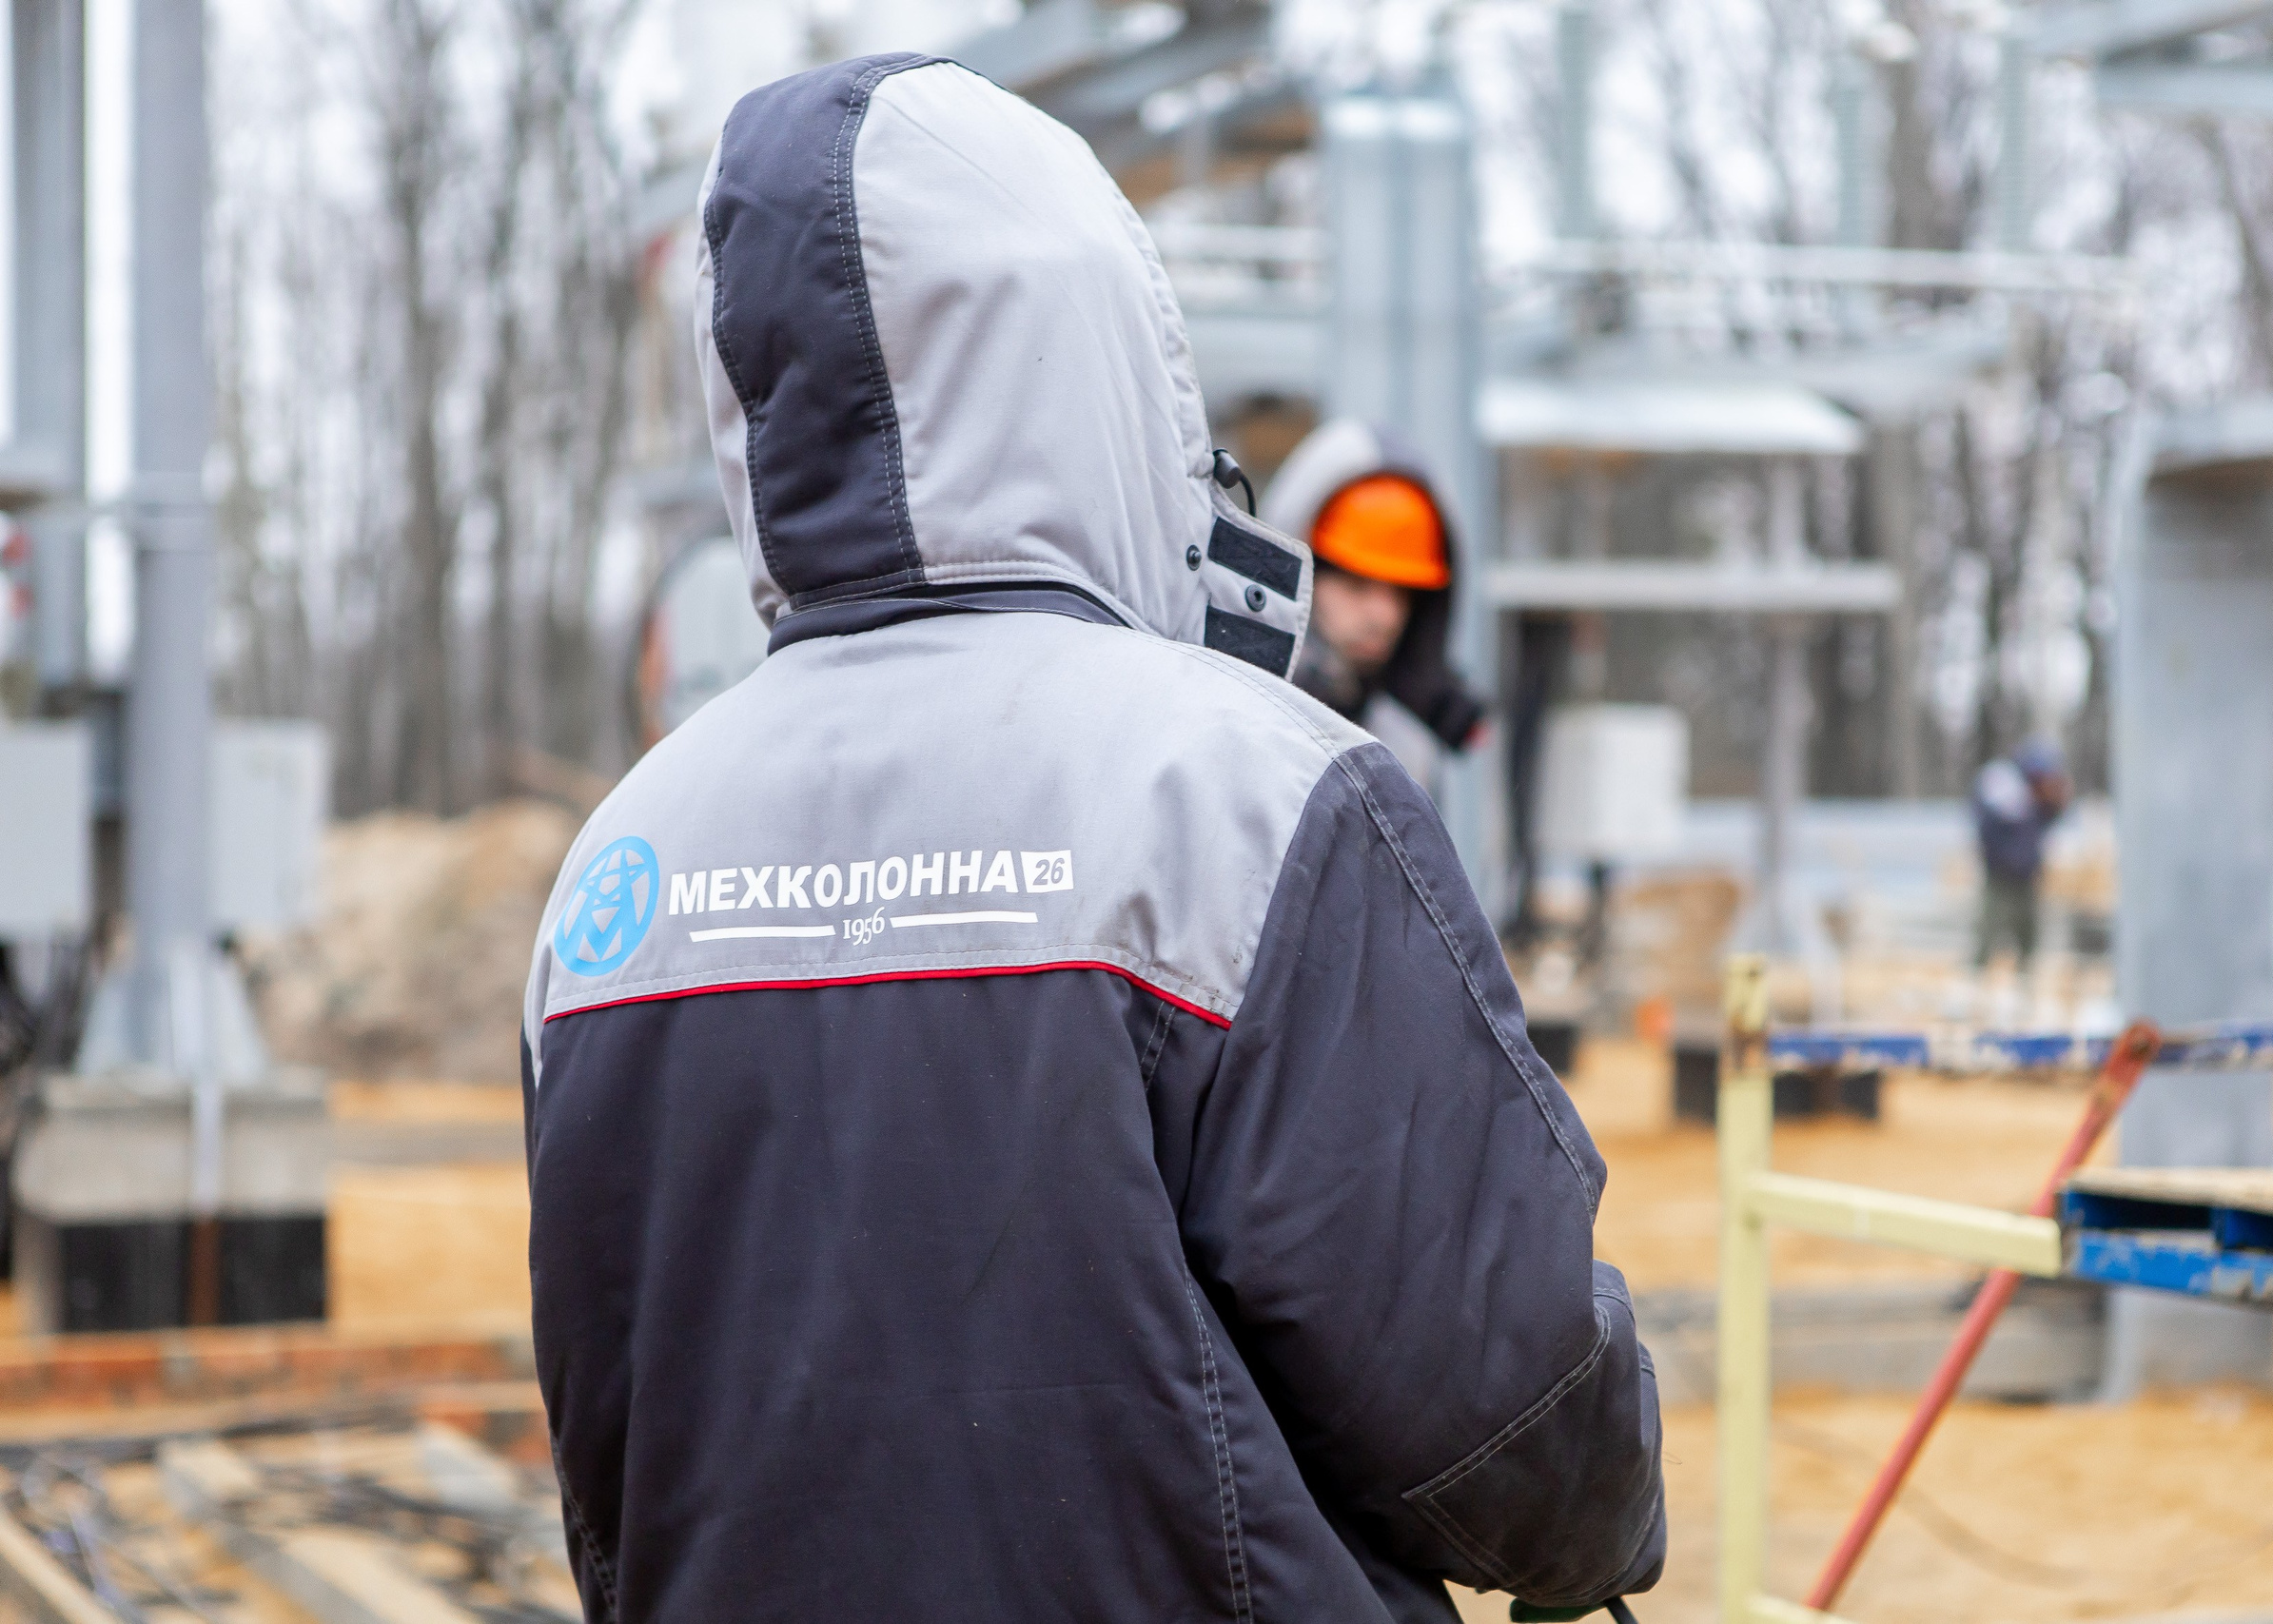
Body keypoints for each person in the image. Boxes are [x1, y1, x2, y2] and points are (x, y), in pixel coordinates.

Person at [519, 55, 1664, 1624]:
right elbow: (1509, 1415)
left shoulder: (613, 885)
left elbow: (617, 1462)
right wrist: (1610, 1505)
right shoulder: (1247, 802)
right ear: (1112, 357)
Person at [1266, 420, 1487, 752]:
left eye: (1400, 591)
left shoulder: (1409, 747)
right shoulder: (1246, 722)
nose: (1384, 616)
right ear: (1297, 573)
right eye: (1357, 585)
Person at [1971, 739, 2072, 970]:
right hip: (2001, 875)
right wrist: (2006, 859)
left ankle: (2022, 984)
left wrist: (2056, 802)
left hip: (2026, 875)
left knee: (2028, 936)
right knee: (1990, 931)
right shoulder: (2005, 787)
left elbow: (2045, 823)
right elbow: (1993, 829)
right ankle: (1975, 983)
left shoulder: (2034, 797)